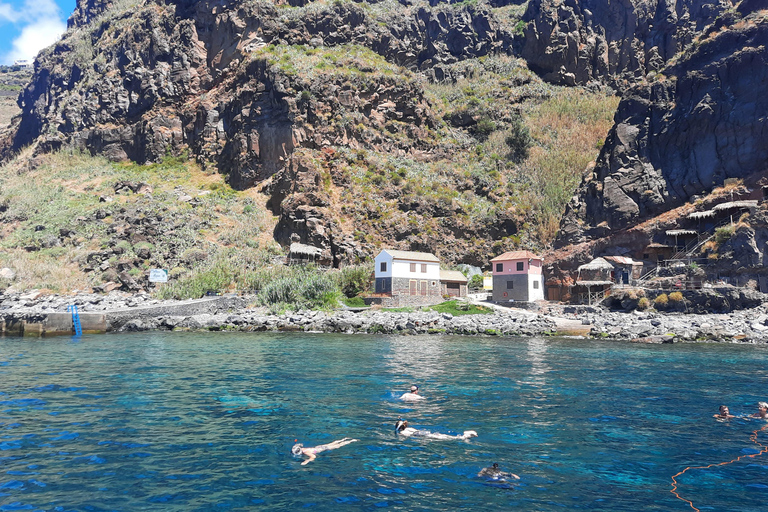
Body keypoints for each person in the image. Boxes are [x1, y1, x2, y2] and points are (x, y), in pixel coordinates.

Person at [395, 418, 477, 440]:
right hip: (422, 432)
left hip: (420, 435)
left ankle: (464, 437)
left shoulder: (402, 433)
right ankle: (464, 437)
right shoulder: (409, 428)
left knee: (443, 438)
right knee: (442, 436)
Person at [291, 438, 358, 465]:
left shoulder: (306, 452)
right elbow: (299, 444)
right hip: (319, 447)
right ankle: (344, 439)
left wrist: (307, 461)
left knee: (338, 445)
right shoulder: (301, 448)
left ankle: (351, 441)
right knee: (333, 443)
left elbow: (313, 456)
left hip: (323, 449)